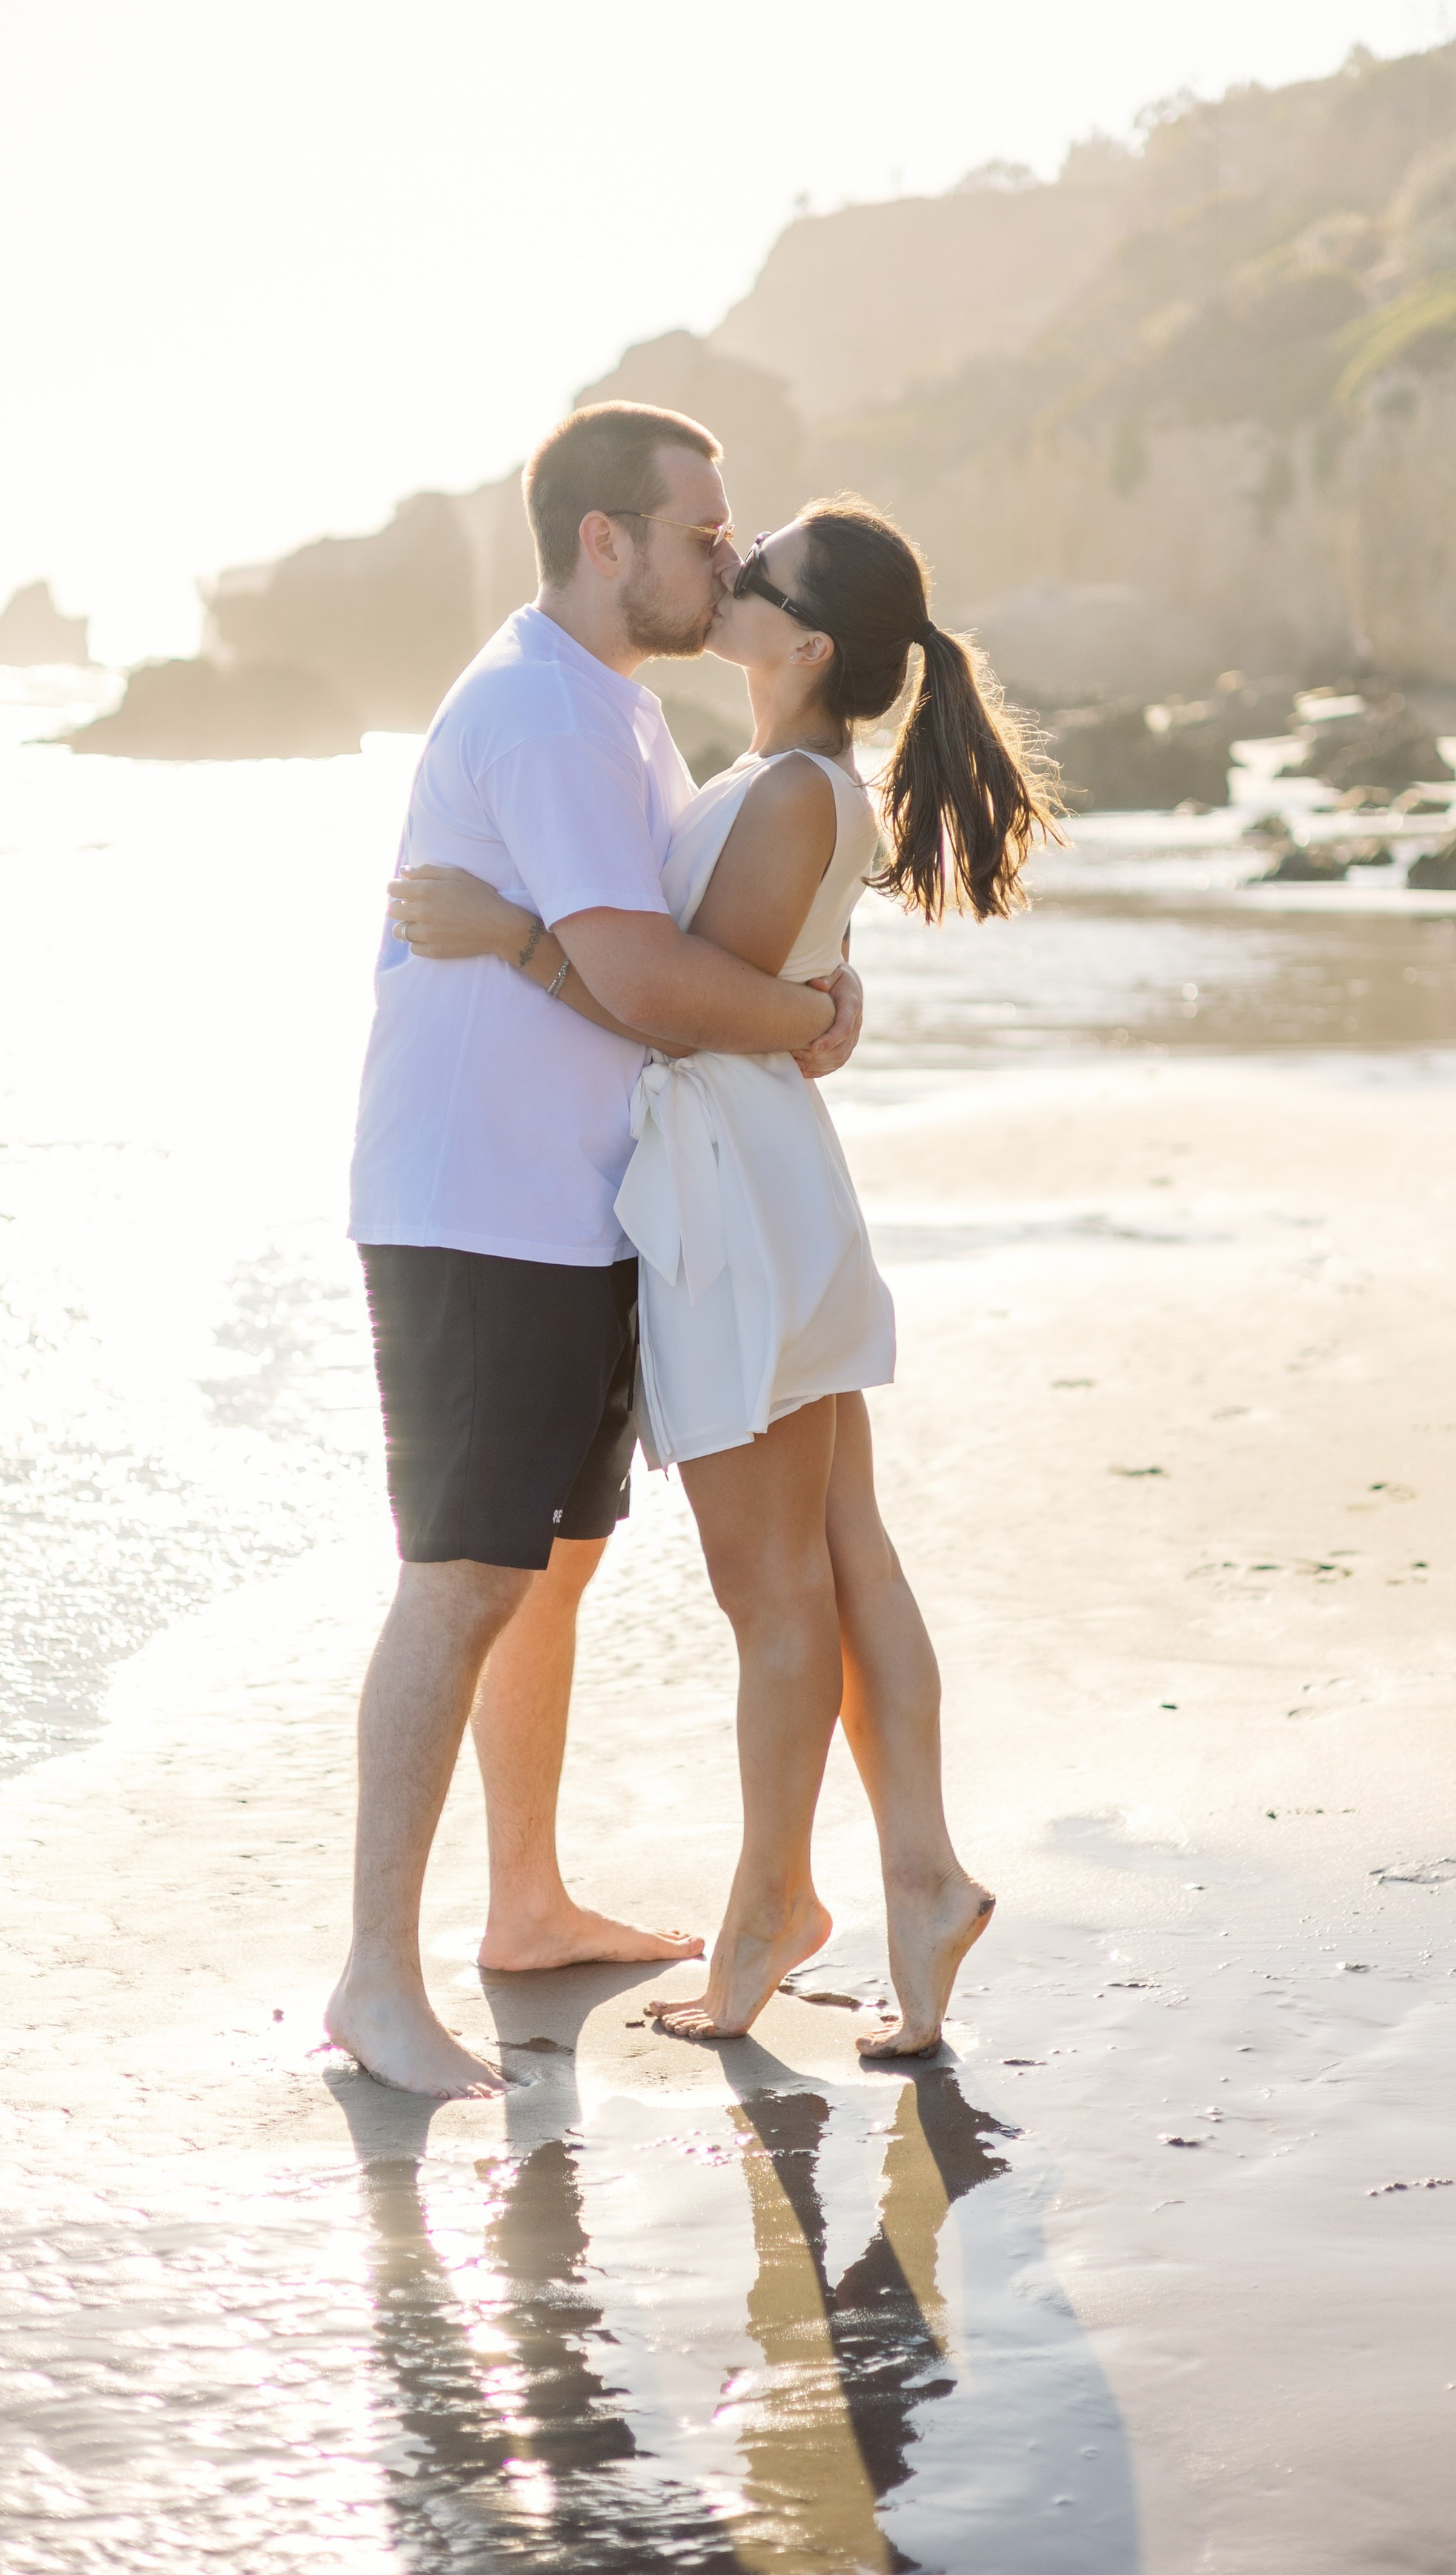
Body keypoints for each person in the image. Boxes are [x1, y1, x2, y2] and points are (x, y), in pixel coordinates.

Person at [390, 495, 1057, 2053]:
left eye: (752, 573)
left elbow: (682, 1008)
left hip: (733, 1203)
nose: (726, 574)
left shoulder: (783, 795)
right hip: (767, 1183)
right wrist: (812, 1006)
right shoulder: (785, 780)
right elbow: (757, 990)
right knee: (843, 1559)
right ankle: (920, 1879)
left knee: (773, 1591)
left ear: (804, 642)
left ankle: (773, 1910)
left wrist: (509, 933)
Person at [327, 403, 865, 2100]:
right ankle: (369, 1975)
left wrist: (787, 1007)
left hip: (570, 1204)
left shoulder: (612, 712)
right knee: (464, 1573)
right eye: (702, 530)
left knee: (548, 1567)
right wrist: (802, 1020)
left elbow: (638, 958)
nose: (728, 551)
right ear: (603, 540)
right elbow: (637, 978)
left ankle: (525, 1905)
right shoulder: (549, 711)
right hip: (474, 1204)